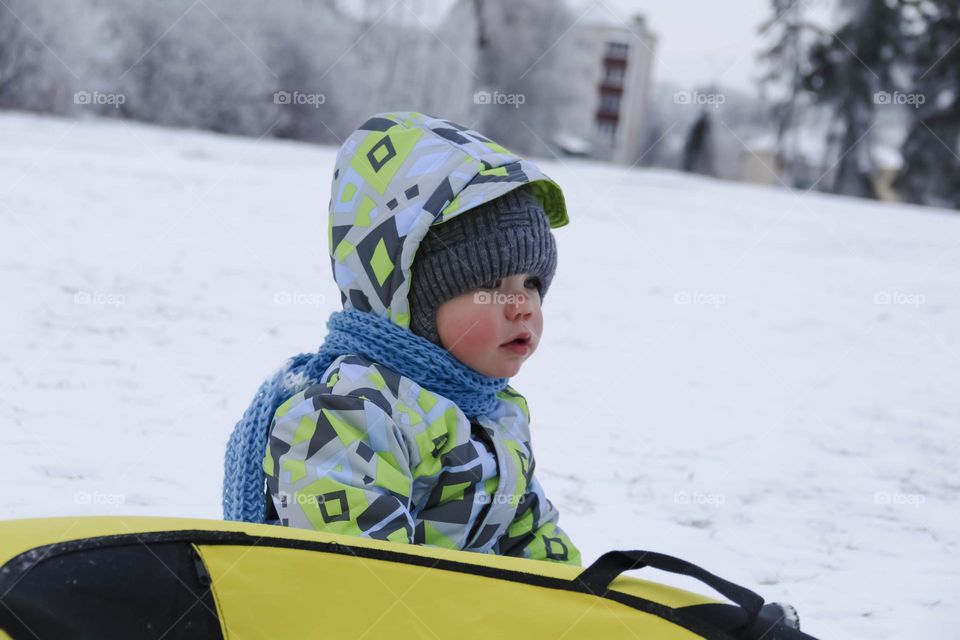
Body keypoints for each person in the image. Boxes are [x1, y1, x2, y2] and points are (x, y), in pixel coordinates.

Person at [223, 111, 580, 565]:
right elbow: (358, 580)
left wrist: (579, 606)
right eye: (491, 287)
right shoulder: (347, 415)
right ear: (410, 300)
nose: (523, 305)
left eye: (532, 282)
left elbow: (532, 536)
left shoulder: (498, 414)